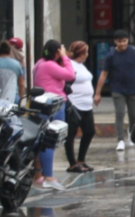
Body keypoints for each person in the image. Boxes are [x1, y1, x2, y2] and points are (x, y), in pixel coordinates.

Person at [94, 29, 135, 153]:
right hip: (117, 89)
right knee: (120, 113)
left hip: (134, 88)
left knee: (133, 115)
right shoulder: (111, 55)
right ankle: (120, 139)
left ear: (128, 40)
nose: (122, 44)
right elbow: (104, 74)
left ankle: (131, 134)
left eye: (124, 41)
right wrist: (98, 93)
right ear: (115, 42)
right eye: (119, 41)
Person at [32, 40, 75, 190]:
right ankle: (49, 176)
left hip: (41, 103)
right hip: (53, 105)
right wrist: (65, 58)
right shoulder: (50, 65)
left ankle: (38, 175)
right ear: (57, 51)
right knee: (50, 141)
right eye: (61, 51)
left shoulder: (40, 63)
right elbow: (70, 75)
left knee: (40, 141)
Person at [65, 41, 96, 173]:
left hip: (86, 105)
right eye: (86, 52)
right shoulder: (70, 65)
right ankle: (72, 163)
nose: (88, 55)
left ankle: (81, 160)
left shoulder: (81, 66)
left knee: (89, 131)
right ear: (81, 53)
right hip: (75, 104)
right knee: (71, 134)